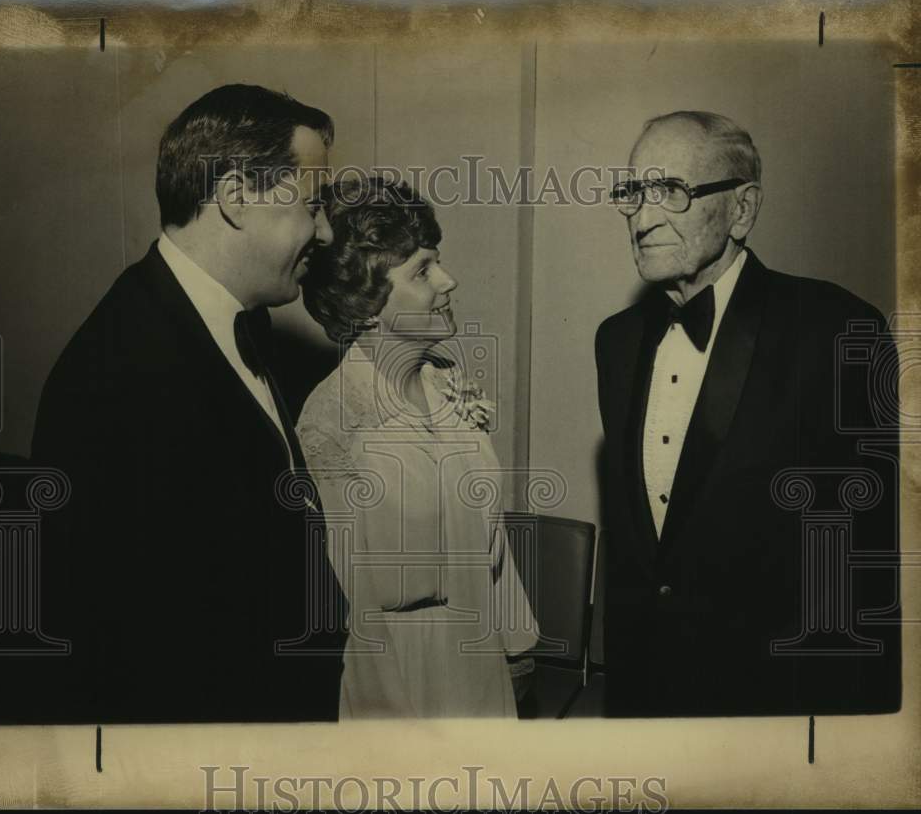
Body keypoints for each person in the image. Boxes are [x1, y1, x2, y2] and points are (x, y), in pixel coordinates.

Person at [31, 84, 346, 722]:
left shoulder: (235, 320)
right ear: (235, 198)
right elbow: (141, 650)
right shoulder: (122, 370)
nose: (326, 230)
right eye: (313, 207)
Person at [595, 110, 900, 717]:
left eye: (672, 192)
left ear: (742, 210)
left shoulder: (837, 329)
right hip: (646, 698)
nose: (643, 218)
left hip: (776, 702)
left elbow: (866, 564)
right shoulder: (616, 340)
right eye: (634, 193)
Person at [296, 178, 538, 717]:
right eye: (423, 270)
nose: (449, 281)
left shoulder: (445, 380)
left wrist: (517, 647)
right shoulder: (330, 419)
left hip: (479, 656)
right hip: (402, 677)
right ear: (366, 302)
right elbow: (352, 600)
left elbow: (488, 531)